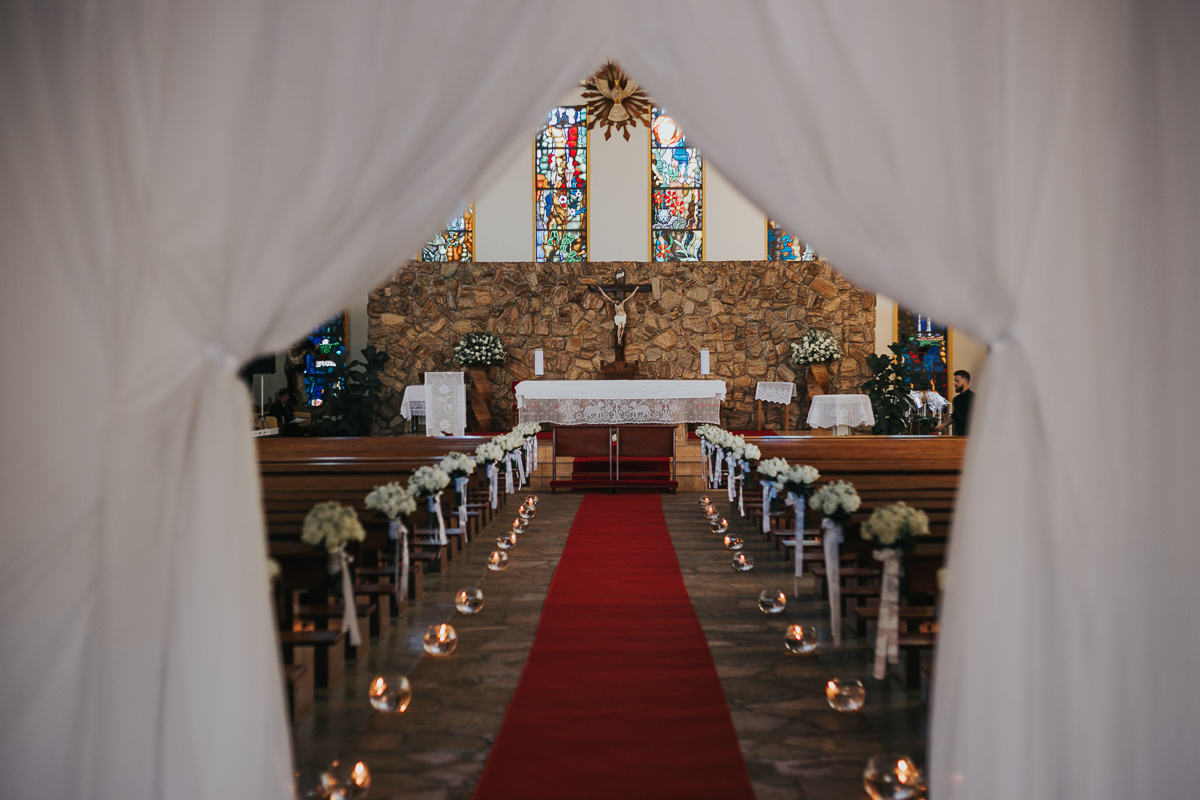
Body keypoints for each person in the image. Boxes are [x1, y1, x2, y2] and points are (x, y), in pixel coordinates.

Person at [936, 370, 975, 435]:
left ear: (965, 381)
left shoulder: (973, 398)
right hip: (958, 434)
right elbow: (955, 416)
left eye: (957, 381)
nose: (955, 384)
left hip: (970, 434)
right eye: (955, 381)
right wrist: (943, 425)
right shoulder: (956, 399)